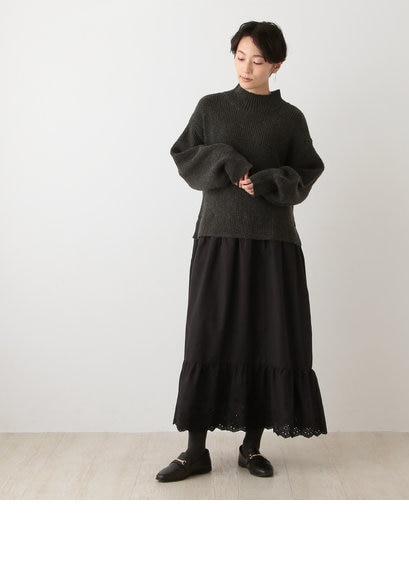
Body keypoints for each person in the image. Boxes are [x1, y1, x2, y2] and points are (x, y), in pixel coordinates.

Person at [156, 21, 327, 483]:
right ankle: (195, 452)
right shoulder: (210, 108)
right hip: (218, 239)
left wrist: (271, 180)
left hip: (273, 243)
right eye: (239, 57)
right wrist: (226, 159)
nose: (246, 68)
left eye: (257, 60)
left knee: (265, 338)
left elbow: (308, 171)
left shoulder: (289, 118)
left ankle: (251, 448)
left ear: (277, 65)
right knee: (207, 337)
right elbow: (183, 154)